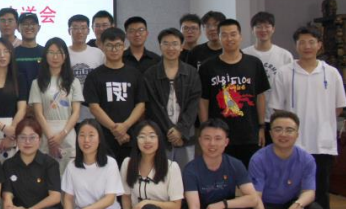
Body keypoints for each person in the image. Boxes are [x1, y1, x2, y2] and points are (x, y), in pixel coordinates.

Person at [269, 25, 346, 209]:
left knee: (320, 187)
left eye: (312, 42)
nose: (307, 46)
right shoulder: (285, 72)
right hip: (293, 144)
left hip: (322, 143)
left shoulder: (331, 73)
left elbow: (338, 108)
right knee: (292, 187)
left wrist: (320, 125)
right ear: (296, 45)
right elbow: (277, 108)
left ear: (319, 45)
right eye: (302, 42)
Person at [248, 111, 324, 209]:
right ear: (270, 133)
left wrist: (298, 205)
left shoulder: (306, 159)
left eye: (289, 130)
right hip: (265, 205)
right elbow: (255, 198)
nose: (283, 134)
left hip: (290, 206)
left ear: (297, 134)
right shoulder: (258, 159)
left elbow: (310, 192)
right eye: (278, 129)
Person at [198, 19, 270, 168]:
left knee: (249, 174)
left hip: (249, 133)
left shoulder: (254, 63)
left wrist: (261, 127)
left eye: (233, 34)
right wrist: (205, 130)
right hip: (218, 135)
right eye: (224, 35)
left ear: (240, 37)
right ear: (219, 38)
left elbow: (260, 97)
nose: (229, 39)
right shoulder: (207, 67)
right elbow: (203, 101)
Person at [83, 27, 147, 164]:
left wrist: (125, 126)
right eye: (109, 45)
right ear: (102, 47)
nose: (114, 49)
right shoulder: (94, 76)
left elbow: (141, 105)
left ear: (124, 46)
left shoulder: (135, 74)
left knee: (129, 172)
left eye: (118, 45)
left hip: (130, 135)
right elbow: (94, 107)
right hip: (104, 136)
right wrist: (115, 130)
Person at [143, 28, 201, 169]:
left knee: (185, 174)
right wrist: (171, 132)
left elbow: (193, 104)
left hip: (185, 134)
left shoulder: (191, 73)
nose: (170, 48)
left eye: (175, 44)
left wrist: (180, 130)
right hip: (160, 134)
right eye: (166, 43)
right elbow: (153, 106)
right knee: (160, 173)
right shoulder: (150, 74)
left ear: (181, 46)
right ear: (160, 46)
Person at [30, 37, 82, 173]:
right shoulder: (37, 83)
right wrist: (51, 138)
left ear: (65, 56)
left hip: (67, 131)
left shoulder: (74, 82)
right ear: (45, 55)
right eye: (51, 52)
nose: (55, 57)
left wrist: (62, 134)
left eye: (59, 52)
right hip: (46, 131)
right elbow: (38, 114)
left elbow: (76, 113)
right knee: (47, 173)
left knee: (69, 174)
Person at [243, 12, 293, 134]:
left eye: (267, 26)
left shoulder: (285, 56)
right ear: (252, 30)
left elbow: (290, 86)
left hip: (278, 114)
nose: (263, 30)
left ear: (273, 29)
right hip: (250, 115)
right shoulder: (244, 54)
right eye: (259, 26)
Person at [67, 14, 105, 121]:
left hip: (94, 110)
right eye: (75, 28)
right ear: (69, 31)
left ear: (88, 31)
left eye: (83, 28)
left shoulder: (98, 53)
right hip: (69, 110)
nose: (79, 31)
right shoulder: (64, 54)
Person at [14, 12, 44, 90]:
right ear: (18, 28)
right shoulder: (12, 54)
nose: (29, 27)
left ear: (39, 28)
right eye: (25, 24)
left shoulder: (45, 52)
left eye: (33, 24)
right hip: (19, 97)